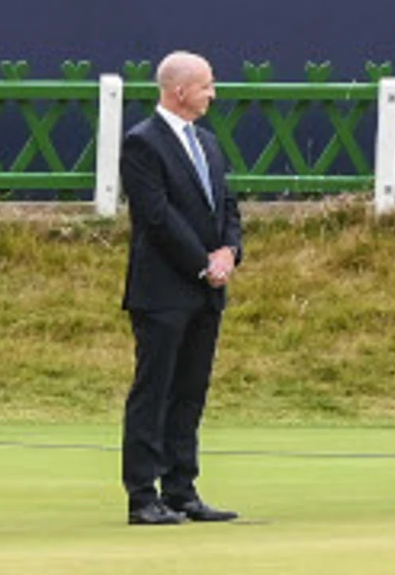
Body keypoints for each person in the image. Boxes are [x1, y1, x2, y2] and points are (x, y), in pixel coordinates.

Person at [116, 51, 243, 525]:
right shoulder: (142, 143)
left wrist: (229, 252)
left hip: (207, 290)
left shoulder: (207, 142)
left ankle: (181, 488)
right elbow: (156, 215)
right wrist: (202, 263)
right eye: (207, 85)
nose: (213, 94)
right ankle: (142, 494)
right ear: (180, 90)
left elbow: (227, 203)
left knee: (191, 390)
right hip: (162, 289)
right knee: (156, 389)